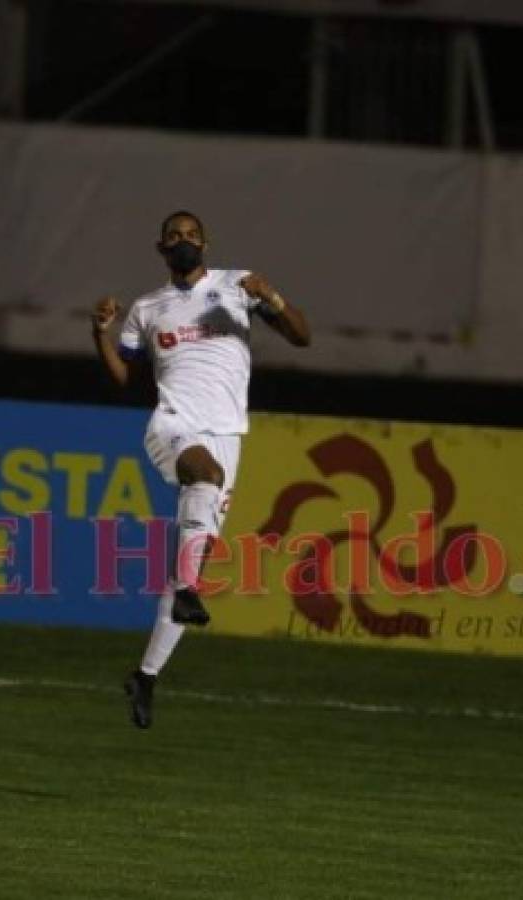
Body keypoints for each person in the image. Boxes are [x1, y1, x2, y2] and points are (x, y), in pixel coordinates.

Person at [91, 210, 312, 728]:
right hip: (172, 426)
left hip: (227, 435)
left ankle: (145, 675)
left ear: (207, 244)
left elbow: (302, 336)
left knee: (192, 560)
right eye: (175, 236)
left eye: (193, 235)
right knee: (203, 477)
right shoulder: (147, 308)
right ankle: (187, 592)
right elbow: (124, 376)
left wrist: (272, 296)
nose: (185, 241)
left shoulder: (237, 287)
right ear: (161, 248)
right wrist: (98, 331)